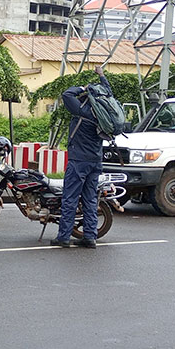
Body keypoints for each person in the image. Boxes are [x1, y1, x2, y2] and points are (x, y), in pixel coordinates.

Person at [52, 65, 113, 249]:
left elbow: (67, 94)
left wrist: (83, 88)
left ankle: (63, 237)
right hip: (96, 160)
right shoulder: (103, 113)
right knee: (90, 199)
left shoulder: (82, 111)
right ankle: (90, 237)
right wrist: (101, 75)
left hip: (79, 160)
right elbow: (109, 91)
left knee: (70, 198)